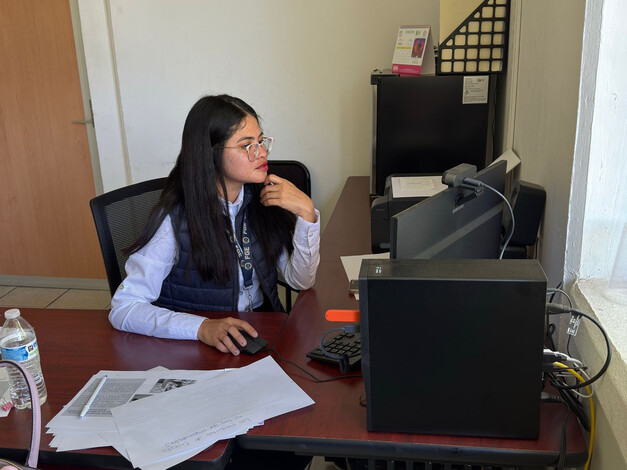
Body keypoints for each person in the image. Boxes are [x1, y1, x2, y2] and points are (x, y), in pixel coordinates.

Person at [109, 94, 321, 355]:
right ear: (209, 153)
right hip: (199, 351)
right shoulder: (174, 218)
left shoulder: (263, 199)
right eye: (247, 145)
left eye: (261, 140)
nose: (262, 152)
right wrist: (201, 328)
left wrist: (307, 215)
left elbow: (300, 280)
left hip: (258, 337)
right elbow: (124, 307)